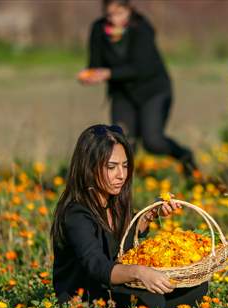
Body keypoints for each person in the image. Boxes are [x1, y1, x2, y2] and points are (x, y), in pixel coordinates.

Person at [51, 124, 208, 308]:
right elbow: (97, 267)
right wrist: (139, 272)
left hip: (113, 288)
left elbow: (127, 231)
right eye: (111, 167)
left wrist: (152, 213)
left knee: (196, 287)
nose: (121, 175)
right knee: (152, 299)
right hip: (86, 297)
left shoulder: (112, 200)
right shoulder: (76, 214)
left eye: (125, 166)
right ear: (89, 167)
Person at [77, 0, 201, 182]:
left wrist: (108, 73)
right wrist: (90, 75)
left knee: (153, 142)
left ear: (129, 9)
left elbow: (141, 68)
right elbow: (95, 63)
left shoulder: (141, 28)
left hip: (152, 90)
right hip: (122, 94)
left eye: (119, 13)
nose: (113, 19)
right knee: (122, 143)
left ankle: (185, 157)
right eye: (109, 14)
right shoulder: (98, 29)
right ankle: (122, 190)